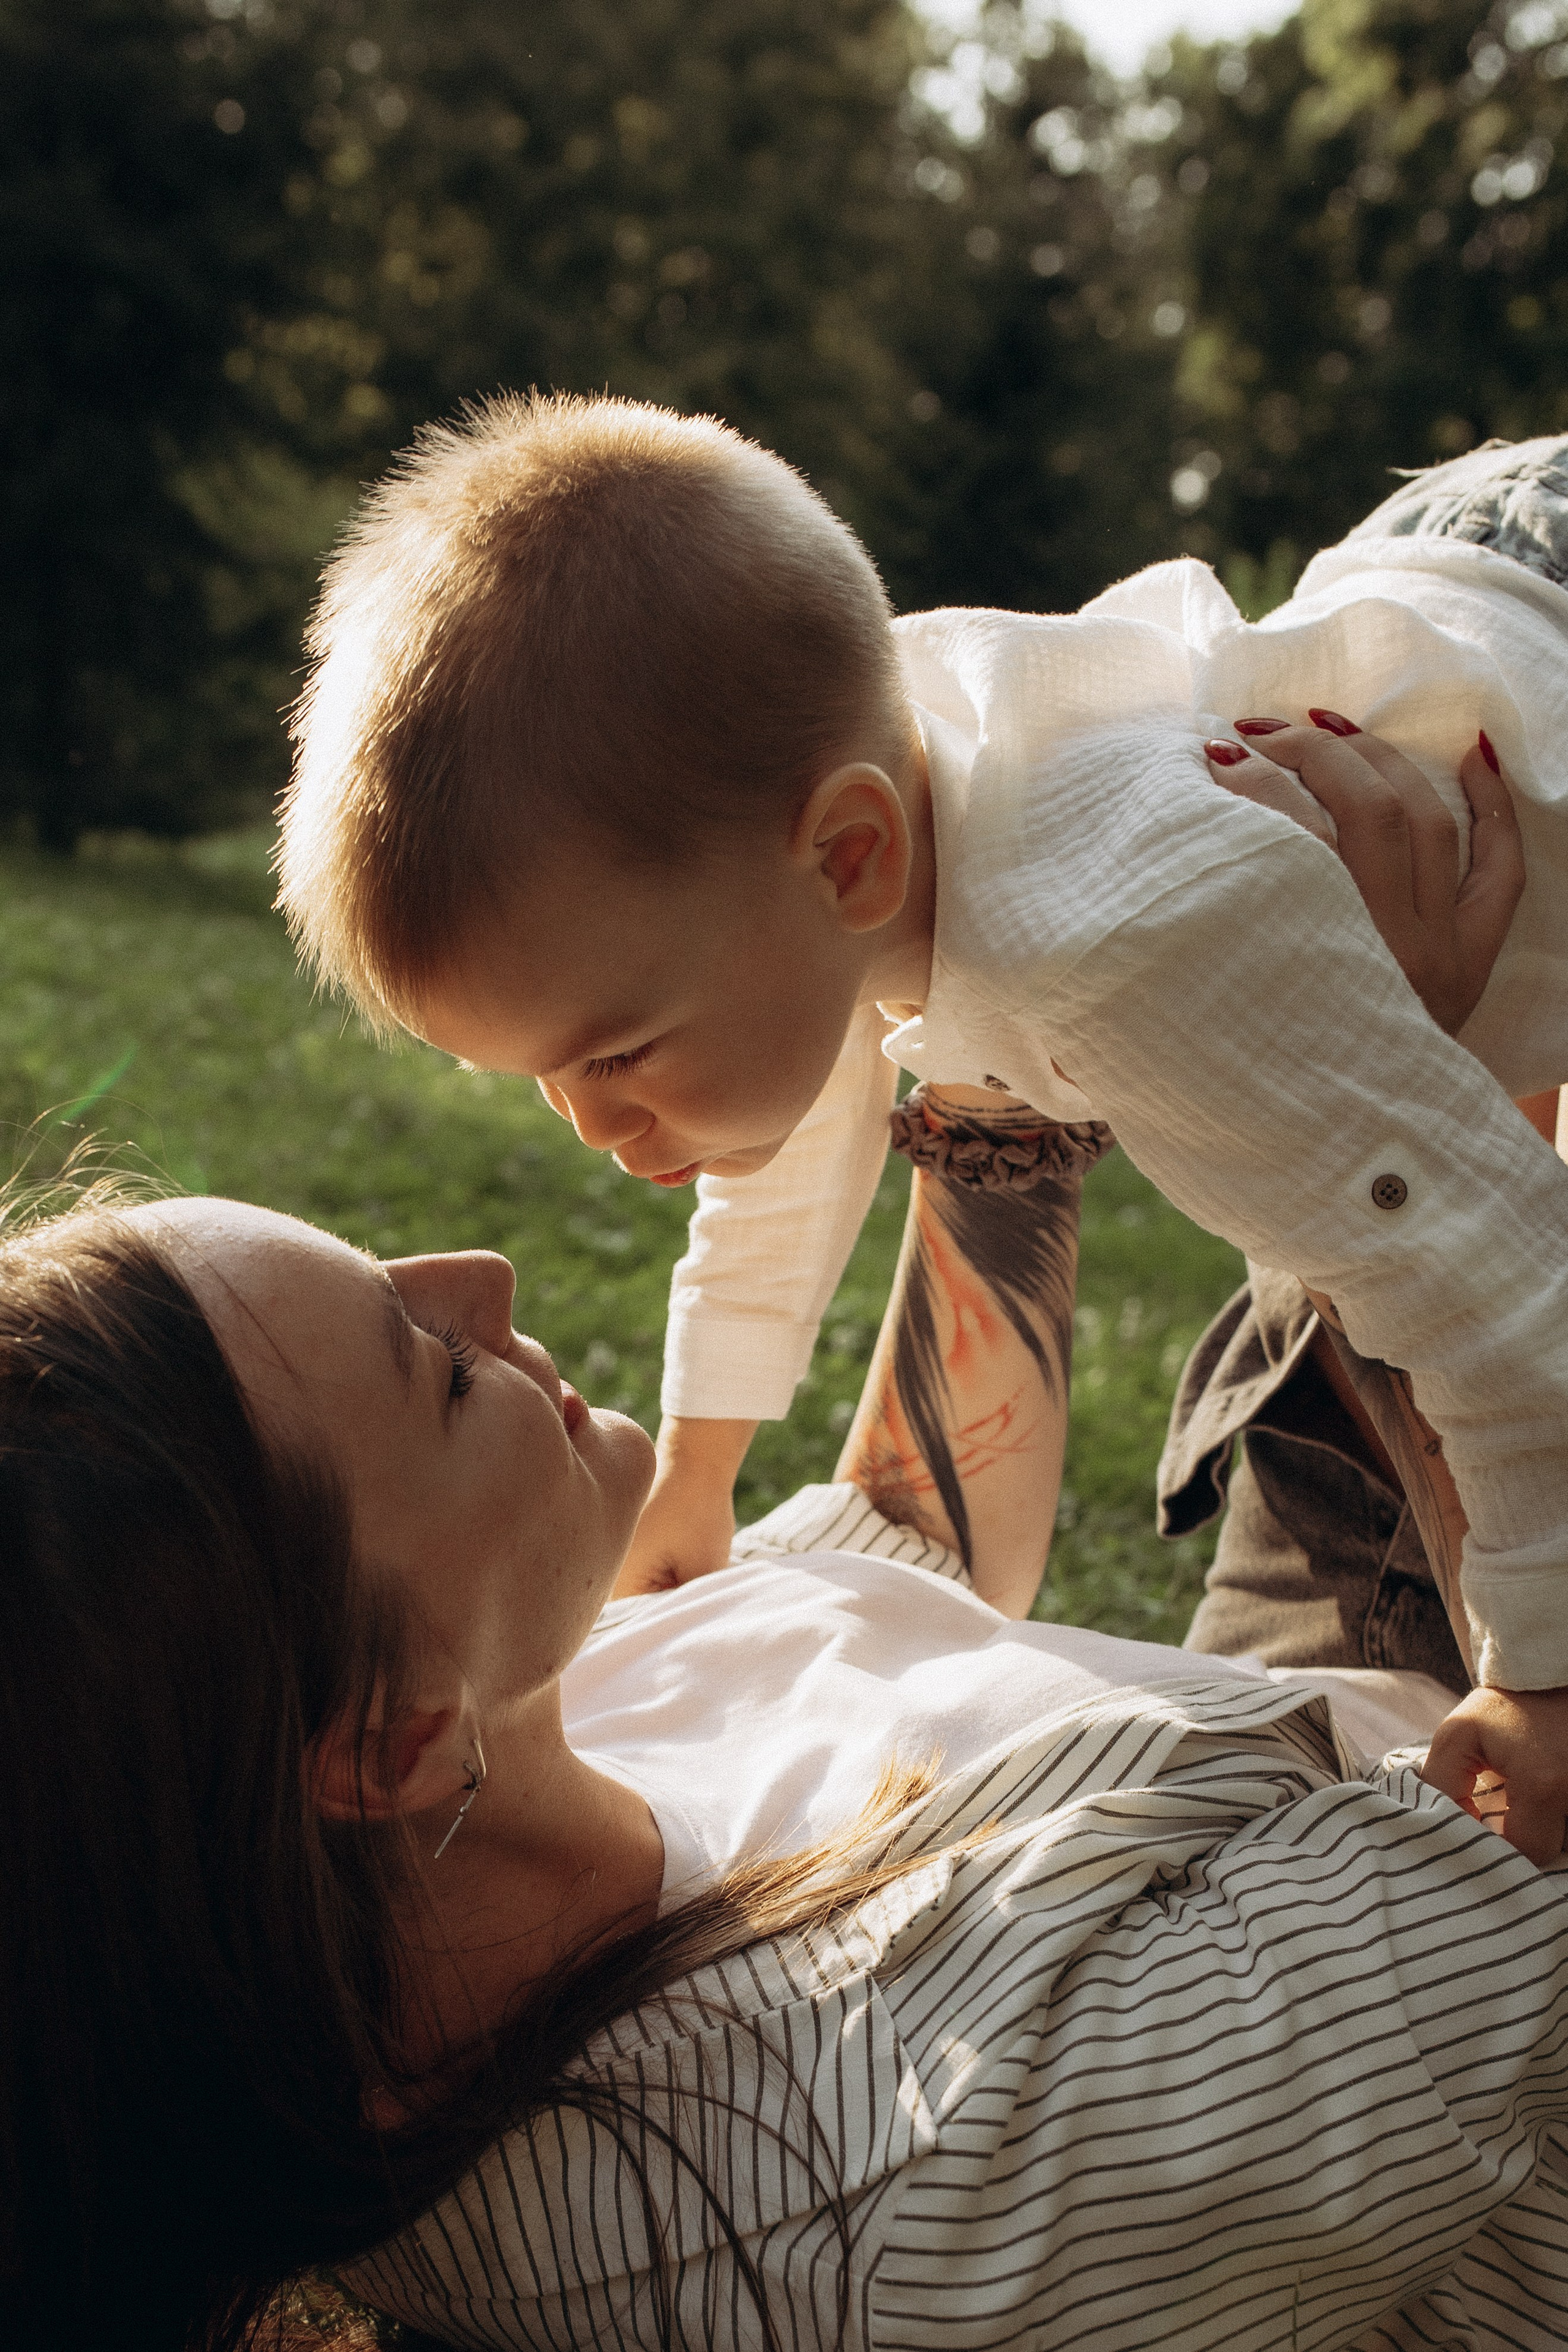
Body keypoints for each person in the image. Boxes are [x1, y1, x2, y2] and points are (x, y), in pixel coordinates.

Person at [3, 1123, 1563, 2352]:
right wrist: (1432, 1136)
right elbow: (1519, 1829)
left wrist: (986, 1130)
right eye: (433, 1365)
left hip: (1327, 1747)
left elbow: (903, 1534)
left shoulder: (501, 1736)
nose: (479, 1275)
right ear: (379, 1742)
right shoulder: (909, 2183)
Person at [276, 401, 1568, 1838]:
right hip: (1451, 574)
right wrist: (699, 1466)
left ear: (850, 854)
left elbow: (1480, 1261)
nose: (590, 1125)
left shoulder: (1120, 949)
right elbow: (774, 1148)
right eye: (542, 1075)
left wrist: (1543, 1670)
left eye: (619, 1053)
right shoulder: (843, 844)